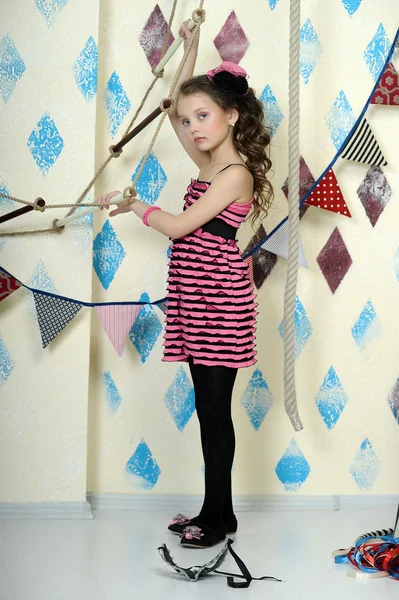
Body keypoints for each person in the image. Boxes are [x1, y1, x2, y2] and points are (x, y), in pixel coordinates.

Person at [96, 20, 273, 549]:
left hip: (220, 301)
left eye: (205, 116)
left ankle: (216, 520)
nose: (194, 127)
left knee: (215, 414)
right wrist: (191, 44)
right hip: (197, 300)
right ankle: (221, 511)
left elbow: (175, 226)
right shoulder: (208, 163)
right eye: (189, 120)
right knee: (207, 409)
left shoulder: (234, 174)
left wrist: (135, 206)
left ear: (231, 116)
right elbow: (176, 100)